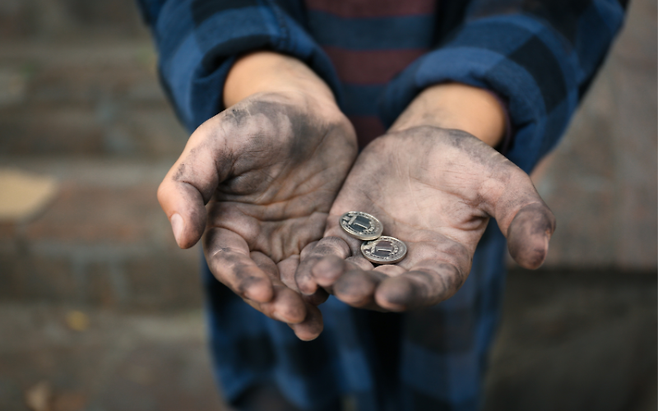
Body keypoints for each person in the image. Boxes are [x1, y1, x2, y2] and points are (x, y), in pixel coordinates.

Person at [136, 0, 626, 409]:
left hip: (446, 210)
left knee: (434, 375)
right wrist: (265, 77)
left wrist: (469, 108)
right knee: (287, 365)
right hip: (272, 205)